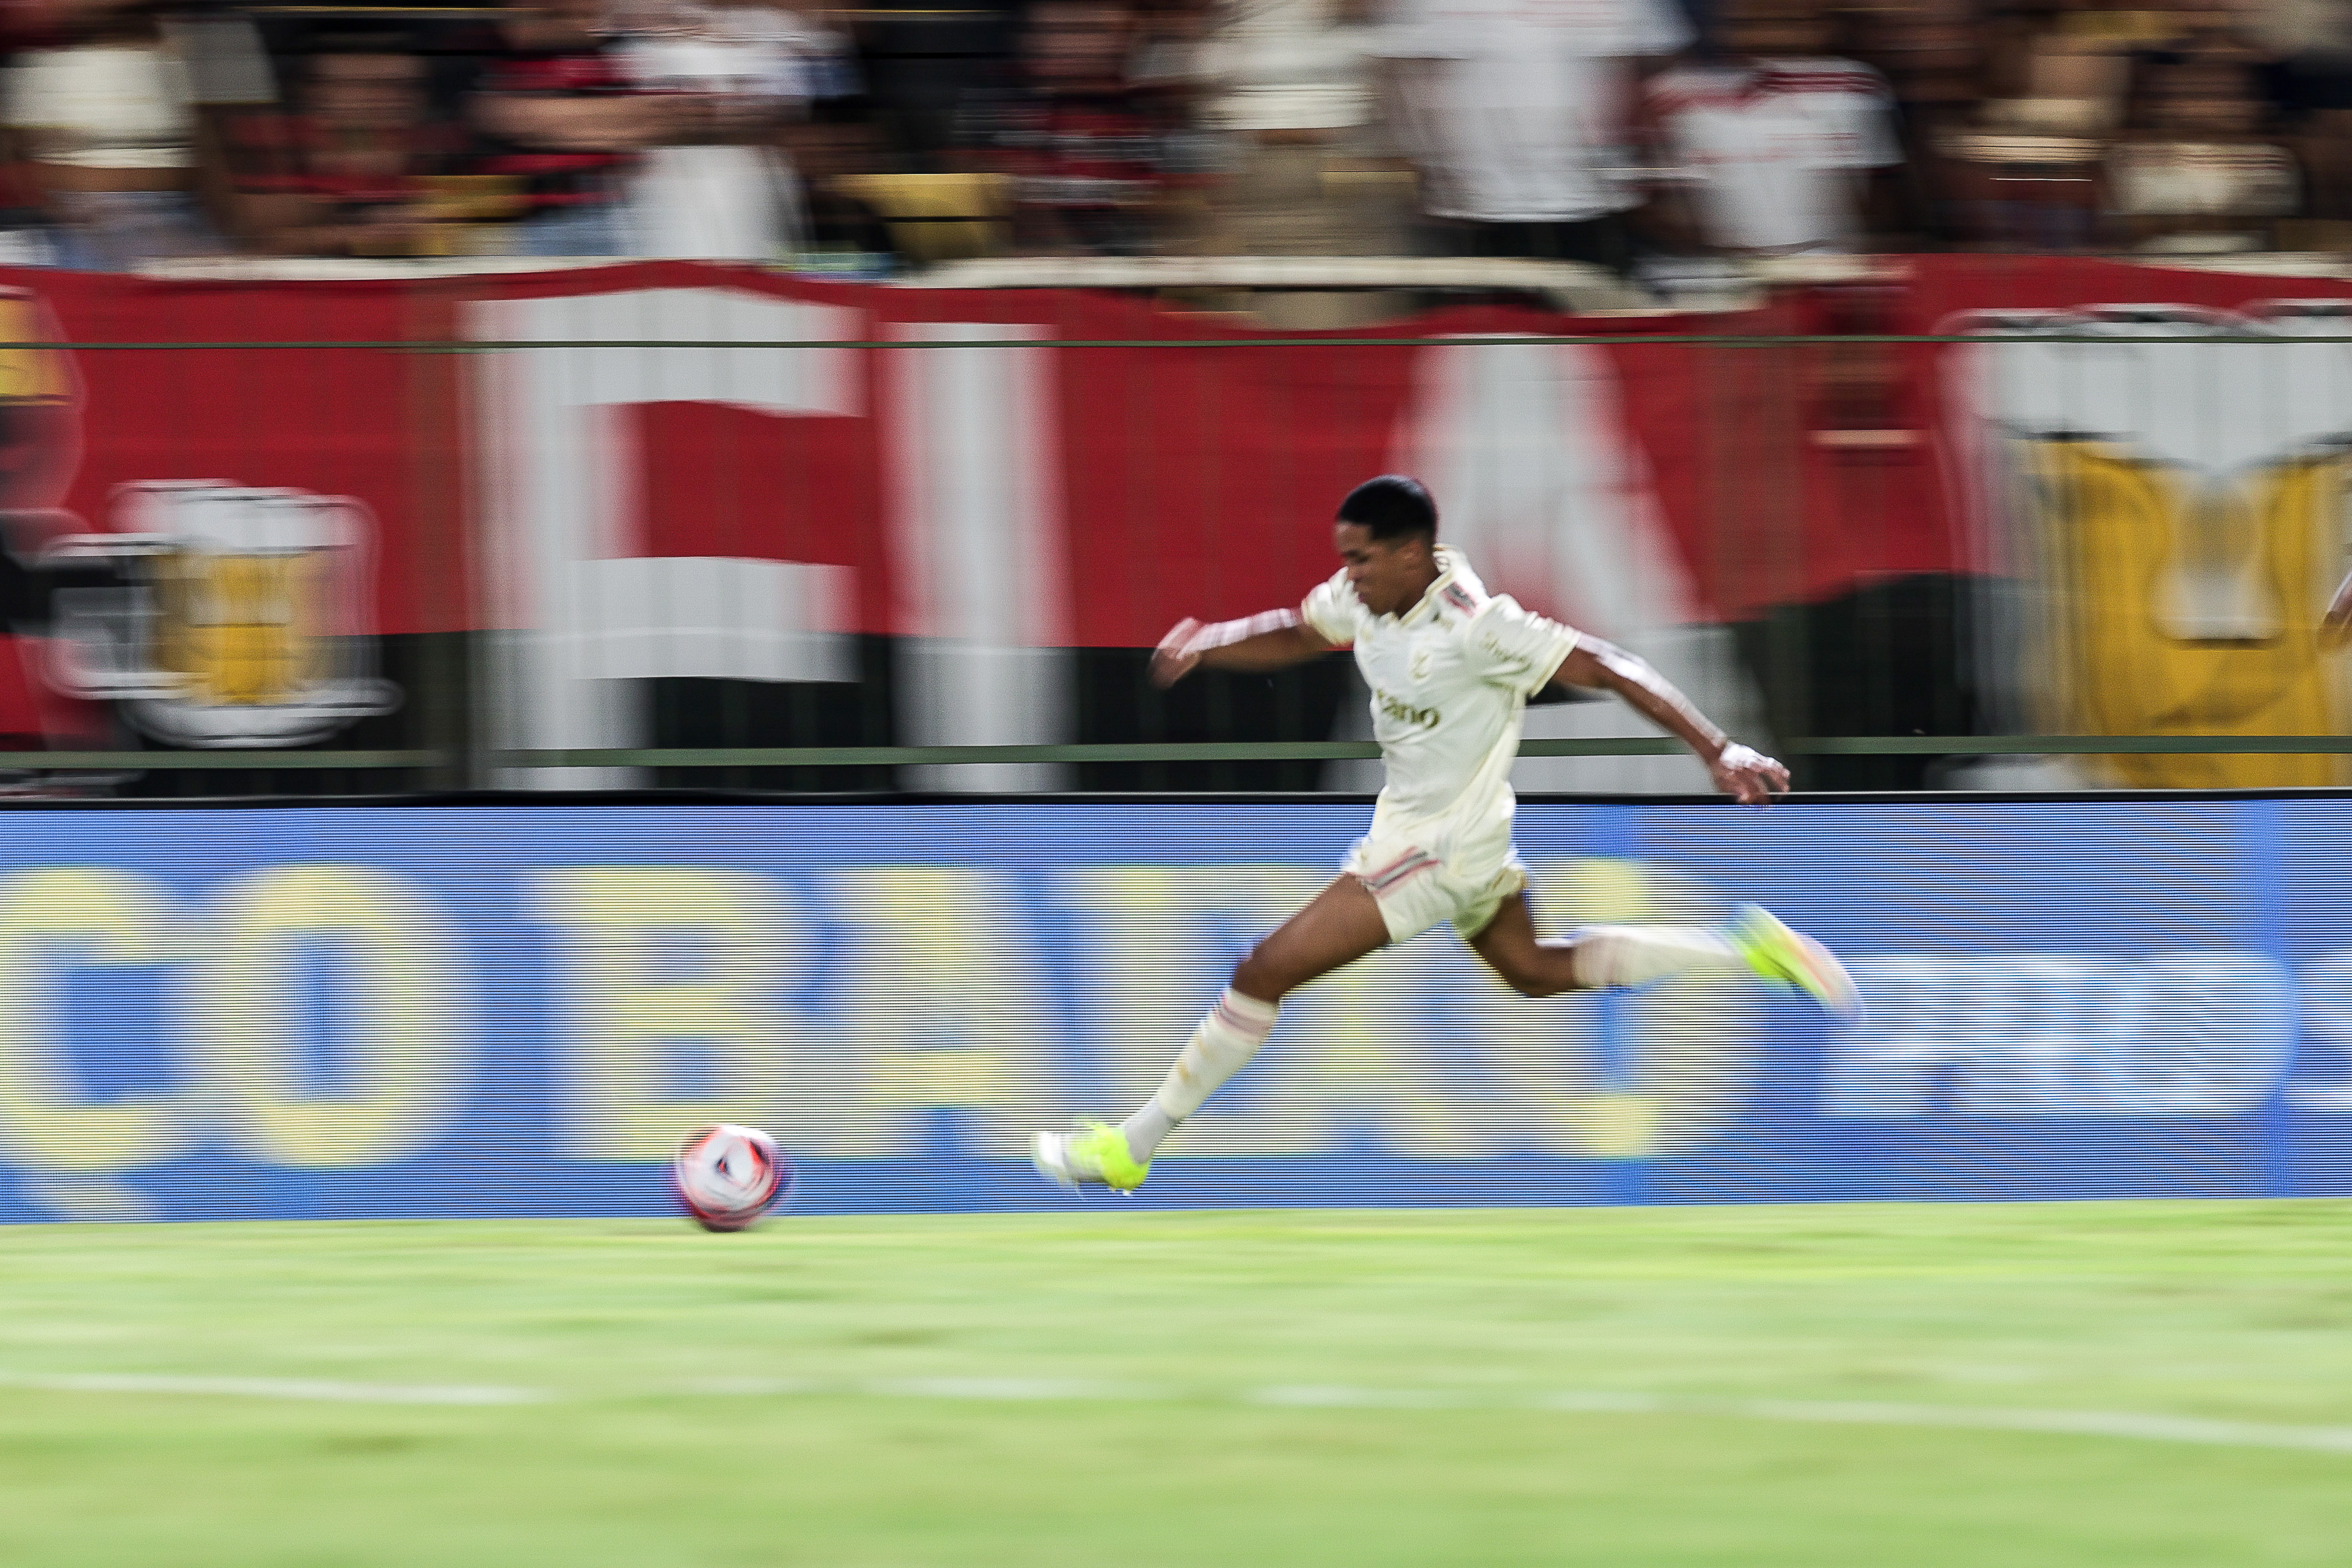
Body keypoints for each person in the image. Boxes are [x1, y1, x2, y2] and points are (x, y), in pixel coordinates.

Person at [1033, 474, 1860, 1194]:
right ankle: (1743, 947)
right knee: (1532, 970)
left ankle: (1129, 1146)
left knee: (1261, 968)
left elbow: (1608, 664)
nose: (1346, 576)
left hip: (1437, 849)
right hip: (1455, 835)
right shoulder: (1368, 599)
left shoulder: (1481, 626)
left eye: (1360, 559)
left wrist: (1716, 749)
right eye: (1344, 558)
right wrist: (1209, 644)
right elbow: (1298, 628)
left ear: (1410, 554)